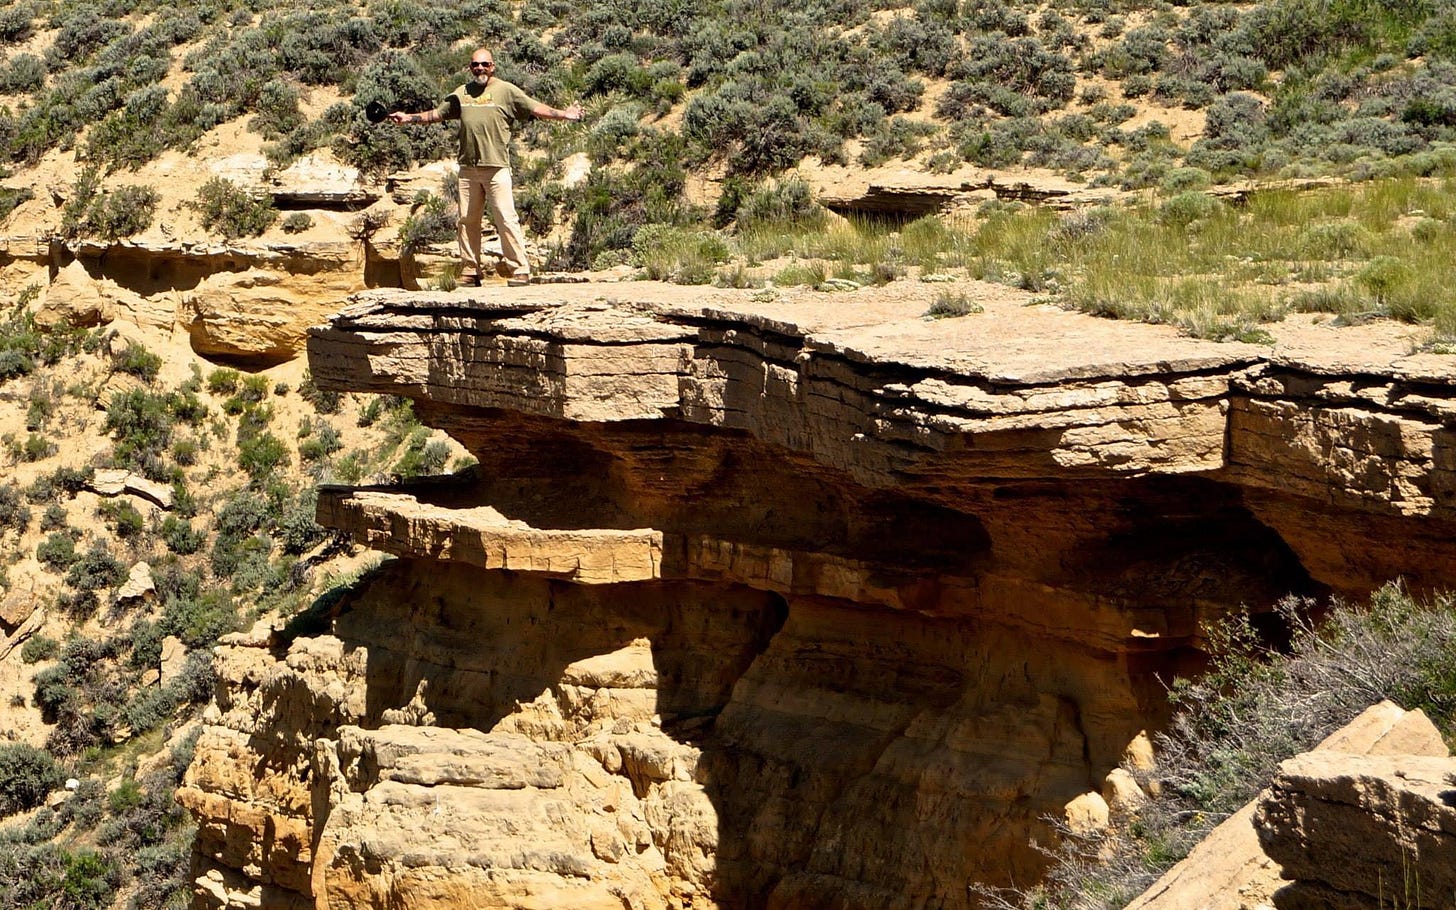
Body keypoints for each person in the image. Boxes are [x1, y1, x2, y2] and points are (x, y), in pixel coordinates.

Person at [389, 48, 583, 286]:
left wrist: (565, 115)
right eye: (475, 65)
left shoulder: (506, 90)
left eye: (484, 64)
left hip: (496, 167)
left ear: (493, 67)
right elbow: (437, 114)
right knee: (467, 220)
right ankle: (471, 270)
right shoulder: (462, 92)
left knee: (505, 218)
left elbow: (535, 108)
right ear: (470, 67)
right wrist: (408, 117)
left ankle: (520, 270)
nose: (480, 68)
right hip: (468, 169)